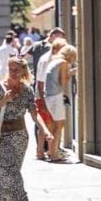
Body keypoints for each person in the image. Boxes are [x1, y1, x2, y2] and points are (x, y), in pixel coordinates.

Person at [0, 57, 48, 201]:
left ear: (23, 71)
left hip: (21, 138)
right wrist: (3, 100)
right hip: (4, 138)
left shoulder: (26, 90)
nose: (13, 72)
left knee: (7, 178)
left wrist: (45, 130)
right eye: (10, 69)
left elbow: (35, 114)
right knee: (13, 176)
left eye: (16, 69)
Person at [29, 28, 65, 159]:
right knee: (49, 124)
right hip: (44, 96)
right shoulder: (47, 60)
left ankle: (42, 152)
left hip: (45, 96)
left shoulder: (49, 59)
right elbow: (40, 82)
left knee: (47, 124)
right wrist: (42, 102)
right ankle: (49, 152)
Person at [44, 44, 77, 162]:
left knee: (52, 124)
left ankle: (50, 150)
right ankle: (54, 153)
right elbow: (63, 82)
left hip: (48, 95)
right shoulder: (63, 63)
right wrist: (71, 74)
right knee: (60, 124)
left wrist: (70, 73)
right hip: (56, 95)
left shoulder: (54, 61)